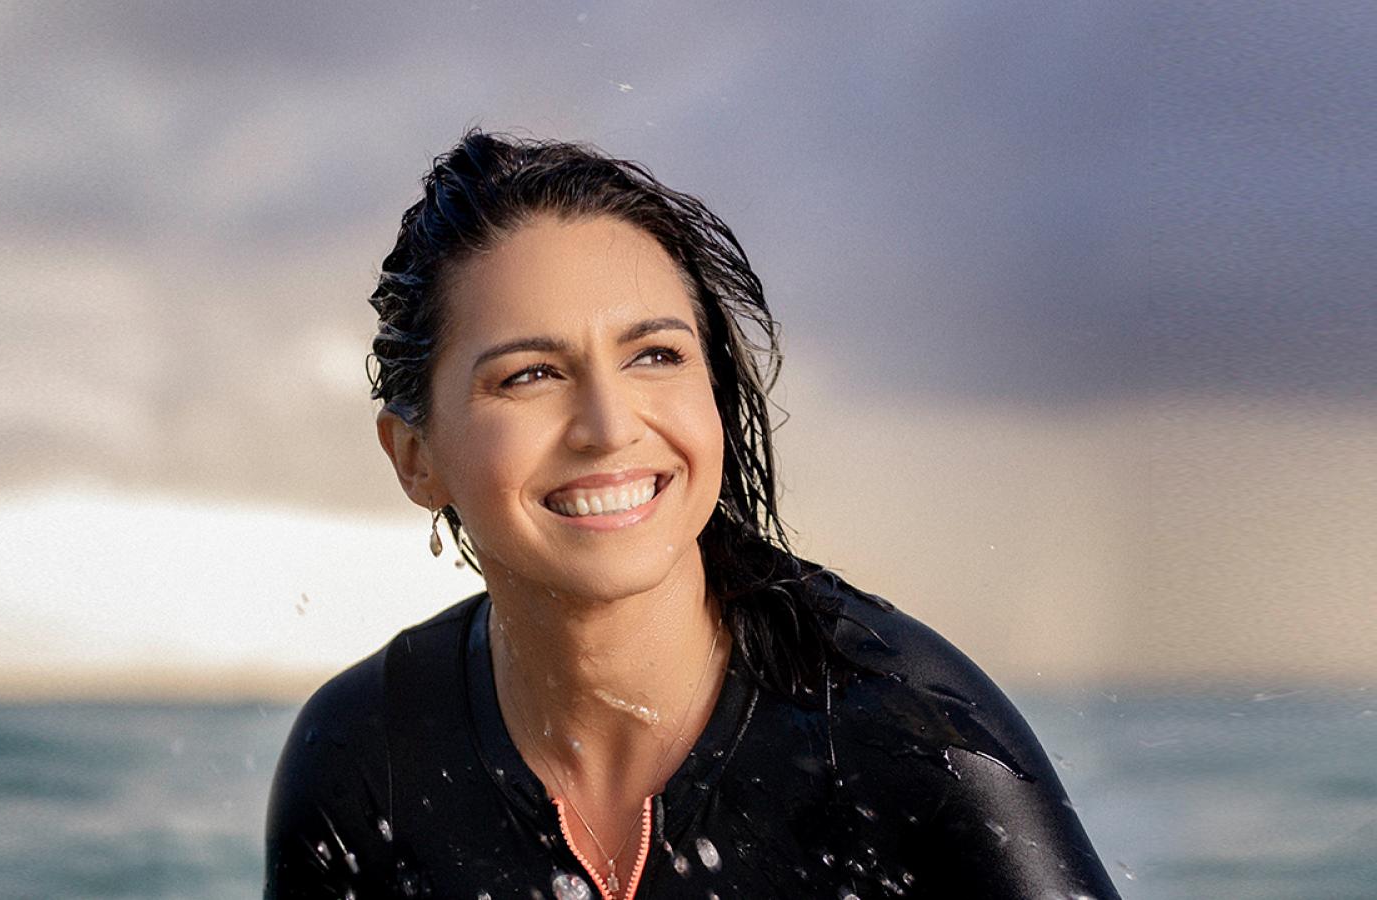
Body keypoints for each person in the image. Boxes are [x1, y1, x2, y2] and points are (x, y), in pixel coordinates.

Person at [264, 129, 1121, 899]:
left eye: (656, 355)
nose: (608, 427)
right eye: (530, 374)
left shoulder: (908, 740)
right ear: (416, 457)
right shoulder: (367, 762)